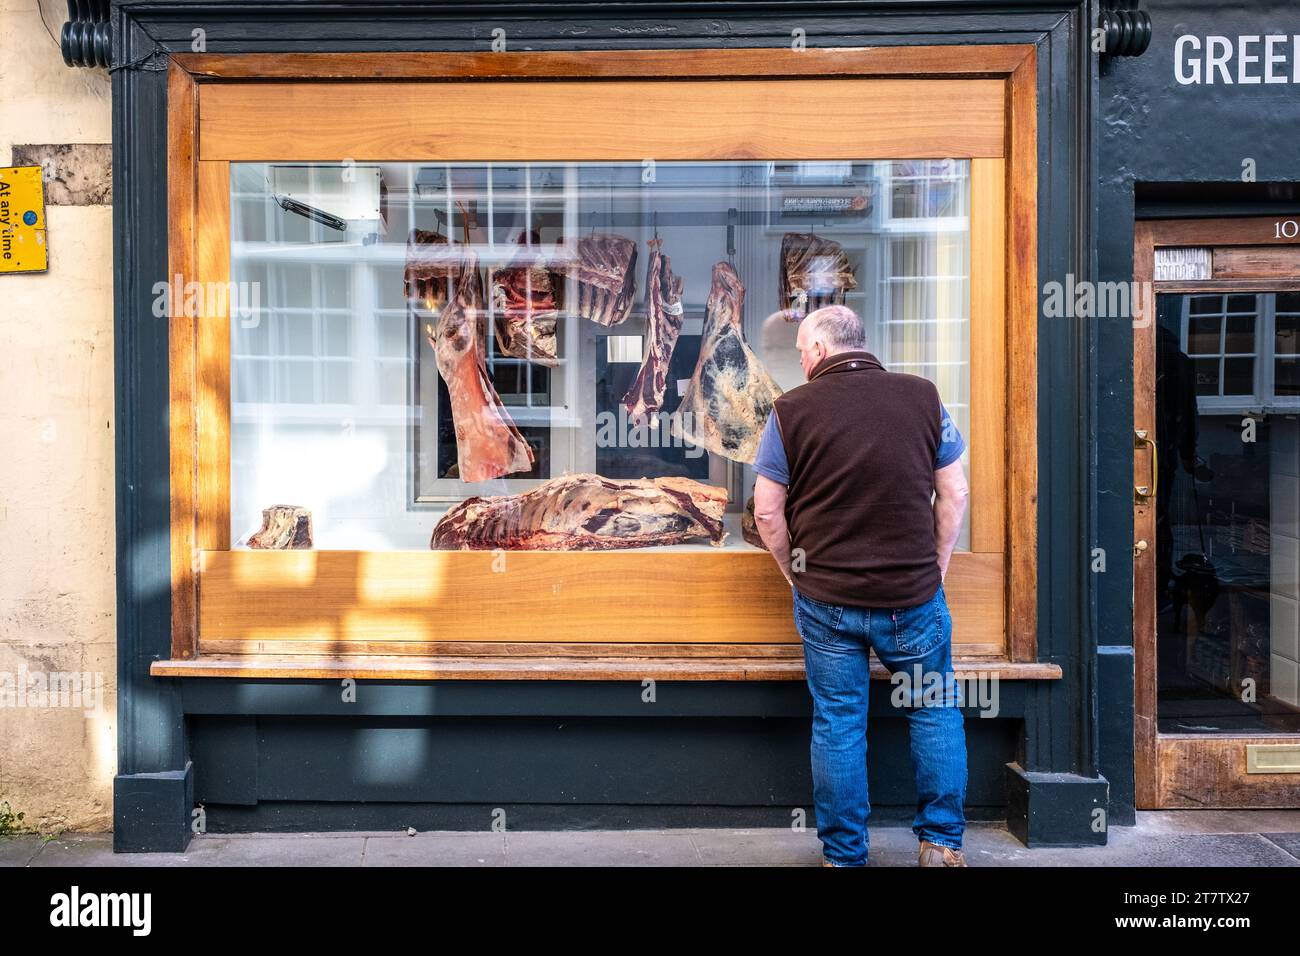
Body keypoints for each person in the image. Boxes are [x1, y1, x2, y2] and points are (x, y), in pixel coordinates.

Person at [751, 304, 970, 868]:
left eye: (800, 352)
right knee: (934, 706)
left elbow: (767, 513)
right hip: (913, 596)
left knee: (839, 719)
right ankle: (941, 844)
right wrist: (936, 565)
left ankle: (845, 856)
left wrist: (793, 572)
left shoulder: (789, 411)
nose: (800, 363)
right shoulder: (924, 396)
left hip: (826, 599)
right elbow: (956, 493)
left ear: (821, 350)